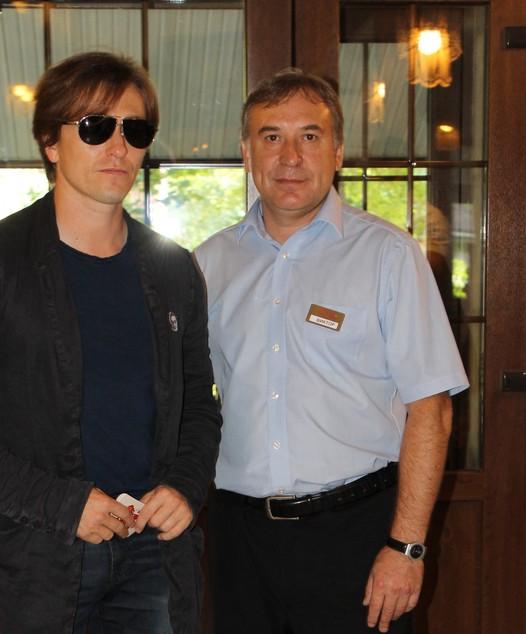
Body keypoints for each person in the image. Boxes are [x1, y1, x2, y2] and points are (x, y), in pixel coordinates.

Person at [0, 52, 221, 634]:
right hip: (39, 559)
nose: (118, 146)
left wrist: (184, 487)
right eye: (96, 126)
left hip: (153, 555)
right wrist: (63, 505)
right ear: (51, 142)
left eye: (135, 130)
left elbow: (200, 406)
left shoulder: (173, 269)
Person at [194, 68, 468, 634]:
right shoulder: (208, 264)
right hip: (239, 540)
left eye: (310, 136)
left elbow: (431, 410)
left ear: (337, 151)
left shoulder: (389, 256)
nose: (290, 157)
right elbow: (188, 401)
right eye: (272, 136)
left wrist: (407, 547)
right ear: (247, 153)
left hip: (356, 536)